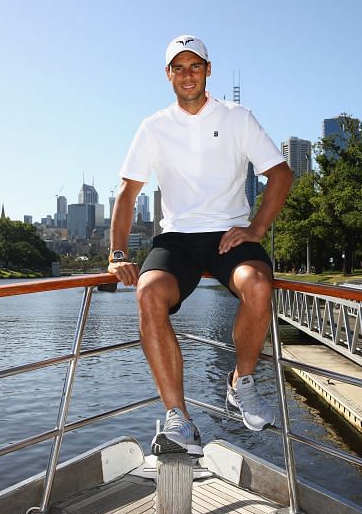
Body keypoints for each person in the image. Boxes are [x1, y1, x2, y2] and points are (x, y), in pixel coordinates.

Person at [108, 35, 293, 458]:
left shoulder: (237, 117)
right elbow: (127, 192)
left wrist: (257, 228)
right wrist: (118, 252)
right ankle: (179, 419)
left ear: (208, 70)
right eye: (178, 67)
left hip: (230, 234)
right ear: (168, 74)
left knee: (259, 286)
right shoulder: (153, 126)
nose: (187, 74)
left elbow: (281, 175)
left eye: (195, 66)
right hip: (178, 239)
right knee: (149, 292)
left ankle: (241, 382)